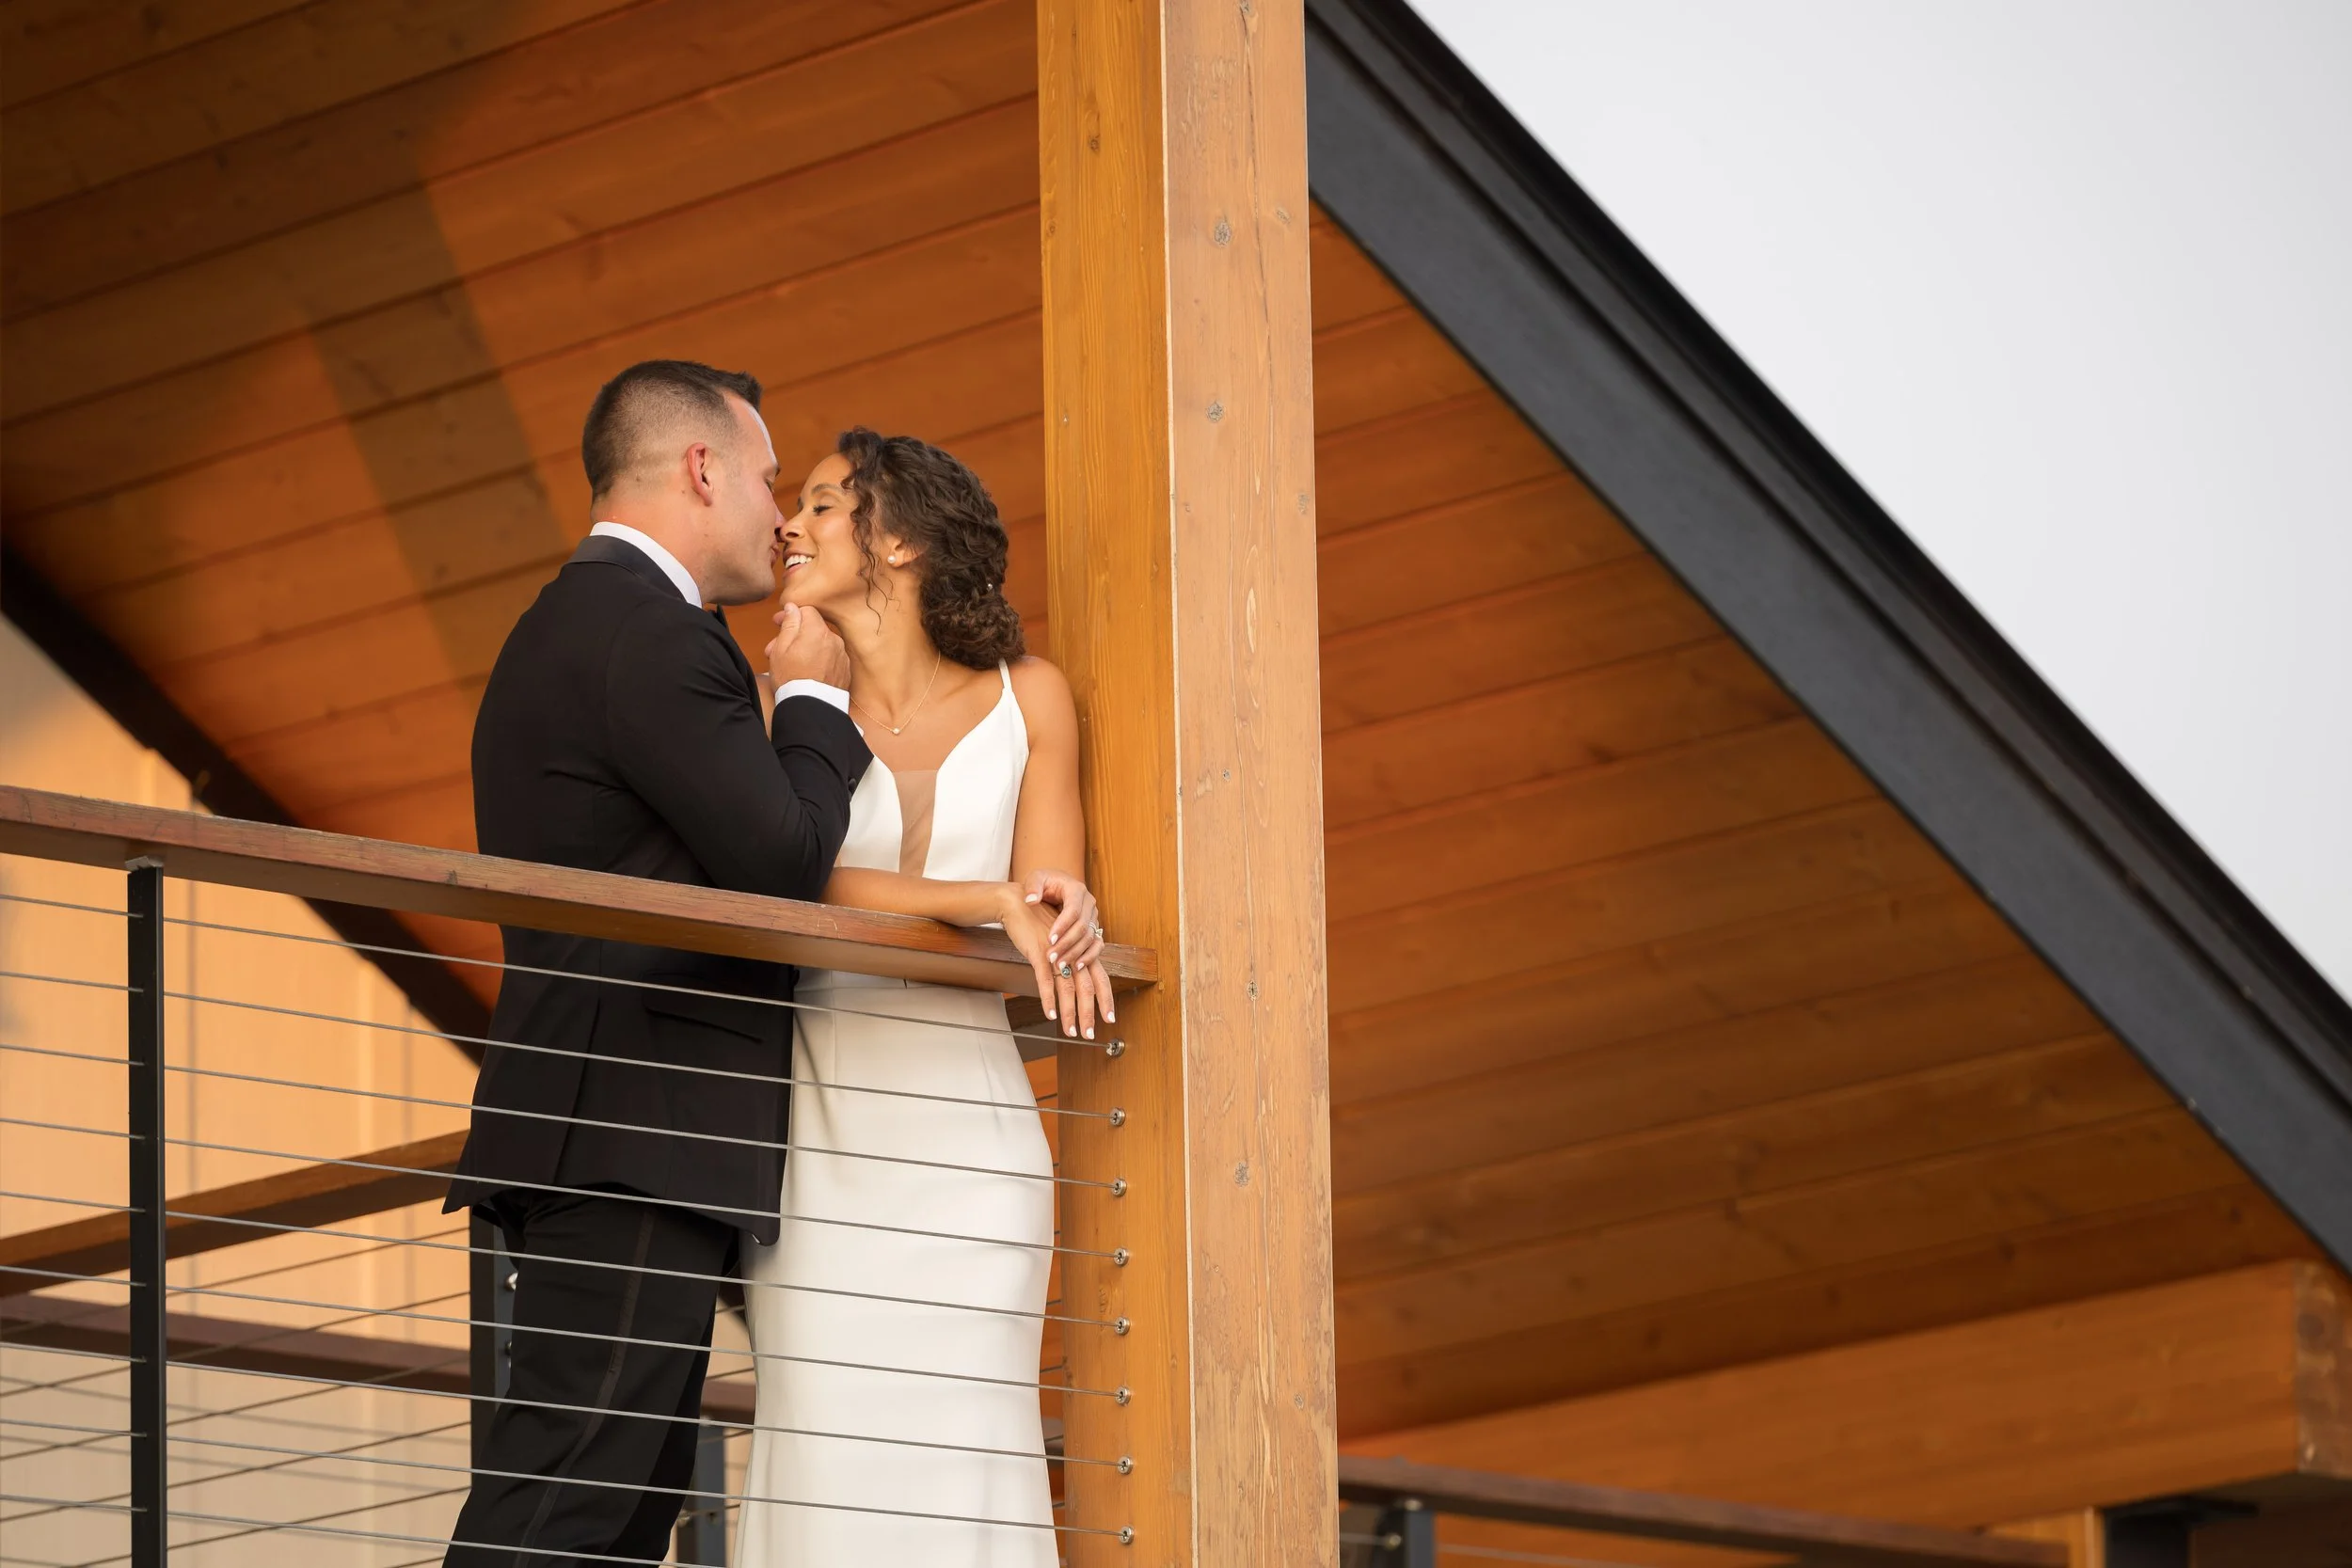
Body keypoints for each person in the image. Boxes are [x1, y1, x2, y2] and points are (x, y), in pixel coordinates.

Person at [443, 360, 872, 1565]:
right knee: (576, 1490)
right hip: (630, 1134)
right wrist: (811, 704)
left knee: (620, 1507)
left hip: (616, 1126)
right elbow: (783, 859)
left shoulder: (581, 618)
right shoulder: (650, 631)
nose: (780, 513)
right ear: (700, 469)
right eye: (766, 477)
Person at [733, 429, 1113, 1564]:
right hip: (818, 1136)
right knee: (826, 1443)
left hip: (973, 1142)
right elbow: (780, 871)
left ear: (897, 538)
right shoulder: (776, 705)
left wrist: (1056, 902)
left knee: (970, 1439)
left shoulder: (1030, 697)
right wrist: (978, 897)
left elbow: (1034, 899)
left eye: (821, 506)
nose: (788, 526)